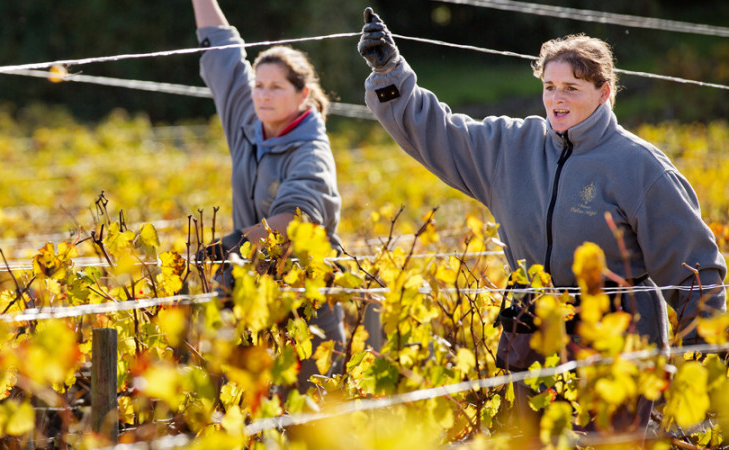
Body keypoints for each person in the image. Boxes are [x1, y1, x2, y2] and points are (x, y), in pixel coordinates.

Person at [358, 7, 726, 429]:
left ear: (604, 92)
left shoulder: (639, 167)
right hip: (530, 341)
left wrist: (702, 370)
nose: (557, 98)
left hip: (618, 350)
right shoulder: (511, 147)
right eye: (550, 86)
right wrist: (389, 72)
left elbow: (695, 270)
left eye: (572, 87)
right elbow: (438, 132)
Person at [191, 0, 347, 392]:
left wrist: (233, 244)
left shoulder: (311, 151)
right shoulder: (249, 119)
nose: (263, 94)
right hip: (249, 299)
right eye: (259, 85)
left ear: (303, 95)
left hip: (306, 305)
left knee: (309, 421)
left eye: (276, 87)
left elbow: (296, 217)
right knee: (243, 412)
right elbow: (223, 51)